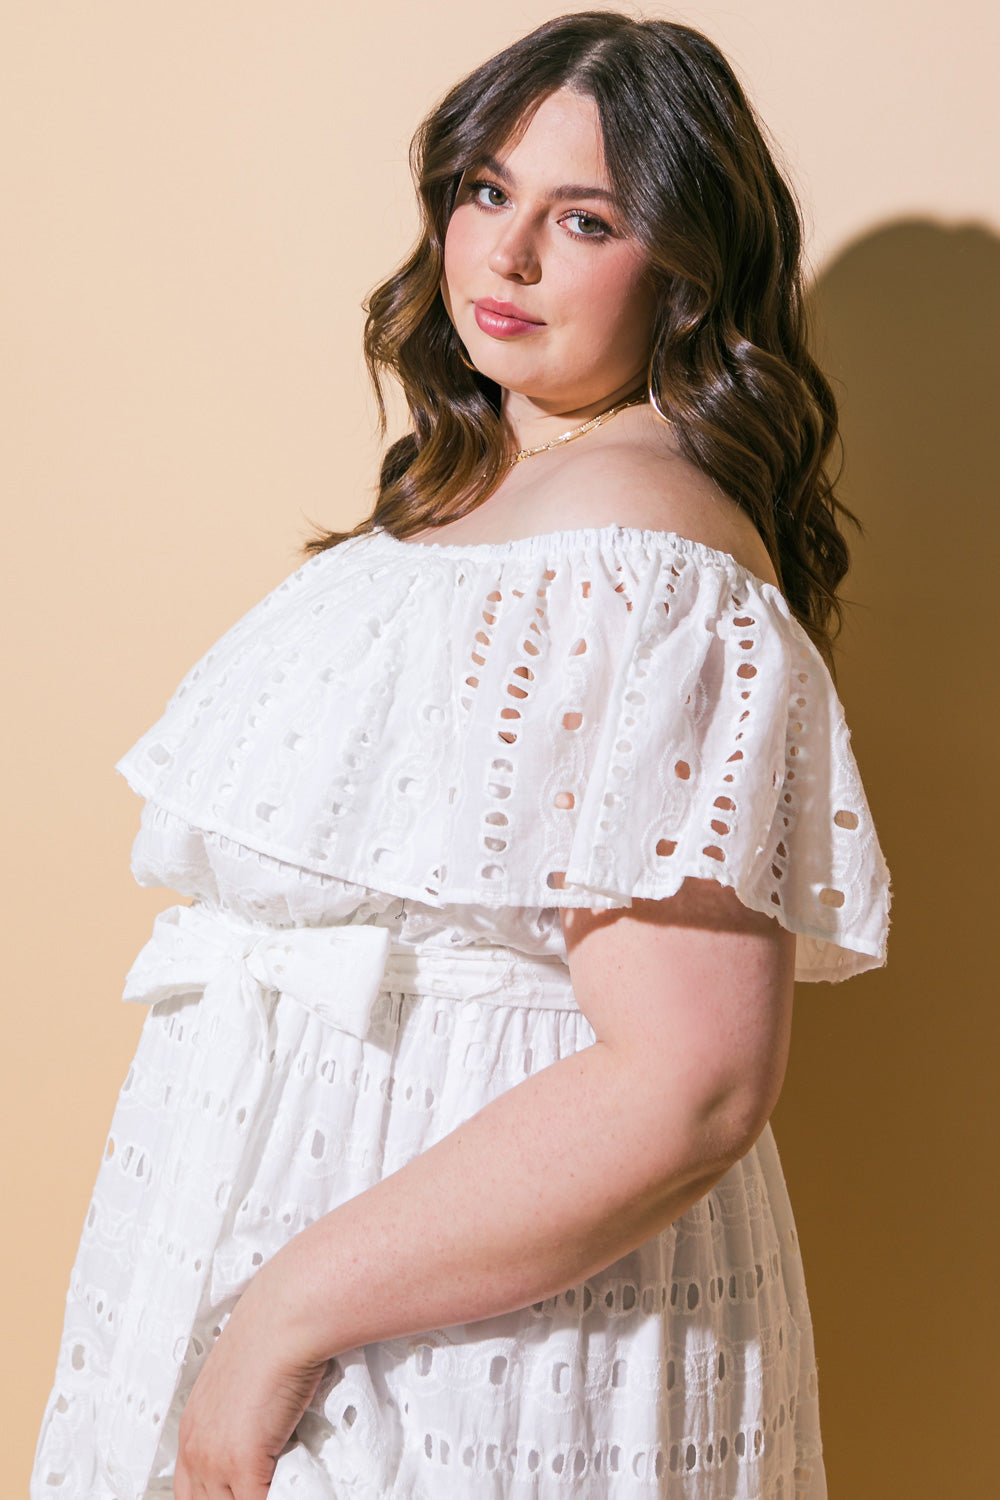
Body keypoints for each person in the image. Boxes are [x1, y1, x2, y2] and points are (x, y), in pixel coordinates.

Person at [32, 12, 891, 1499]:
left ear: (683, 270)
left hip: (454, 1342)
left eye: (587, 218)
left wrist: (281, 1323)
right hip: (298, 1282)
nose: (506, 256)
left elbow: (688, 1081)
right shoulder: (484, 492)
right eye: (486, 192)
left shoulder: (644, 548)